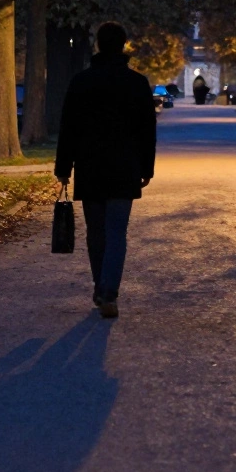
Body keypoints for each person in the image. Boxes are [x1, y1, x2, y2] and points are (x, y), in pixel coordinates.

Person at [55, 22, 157, 318]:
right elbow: (146, 130)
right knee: (117, 231)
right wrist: (146, 167)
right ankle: (109, 290)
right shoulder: (137, 83)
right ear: (124, 45)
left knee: (96, 232)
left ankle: (101, 285)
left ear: (97, 45)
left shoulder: (81, 82)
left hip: (91, 167)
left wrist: (64, 167)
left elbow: (68, 128)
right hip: (124, 167)